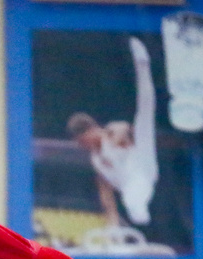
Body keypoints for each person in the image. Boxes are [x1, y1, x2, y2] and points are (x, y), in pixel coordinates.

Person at [66, 37, 159, 229]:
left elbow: (123, 128)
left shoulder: (110, 131)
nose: (83, 146)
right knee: (131, 200)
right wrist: (112, 221)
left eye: (83, 141)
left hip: (142, 164)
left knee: (145, 112)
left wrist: (119, 135)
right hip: (130, 186)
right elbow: (105, 192)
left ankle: (142, 63)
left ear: (91, 130)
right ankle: (136, 210)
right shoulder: (95, 160)